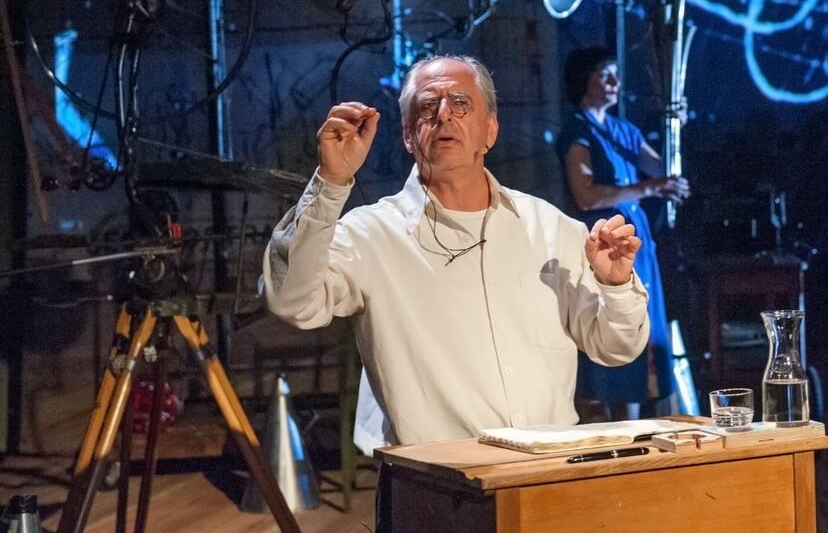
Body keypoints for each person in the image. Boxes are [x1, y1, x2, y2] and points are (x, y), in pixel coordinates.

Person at [262, 54, 650, 458]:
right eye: (428, 106)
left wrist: (615, 285)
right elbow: (292, 302)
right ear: (408, 136)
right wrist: (330, 182)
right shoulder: (370, 235)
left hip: (546, 471)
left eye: (461, 103)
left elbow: (616, 347)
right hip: (438, 478)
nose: (444, 115)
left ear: (490, 130)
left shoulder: (550, 228)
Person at [557, 47, 690, 421]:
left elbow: (661, 169)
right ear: (584, 81)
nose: (615, 82)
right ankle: (613, 424)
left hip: (636, 243)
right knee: (613, 328)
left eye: (615, 74)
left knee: (640, 328)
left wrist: (675, 128)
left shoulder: (624, 131)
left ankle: (633, 424)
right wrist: (648, 188)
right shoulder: (577, 133)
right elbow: (586, 196)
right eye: (604, 75)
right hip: (605, 244)